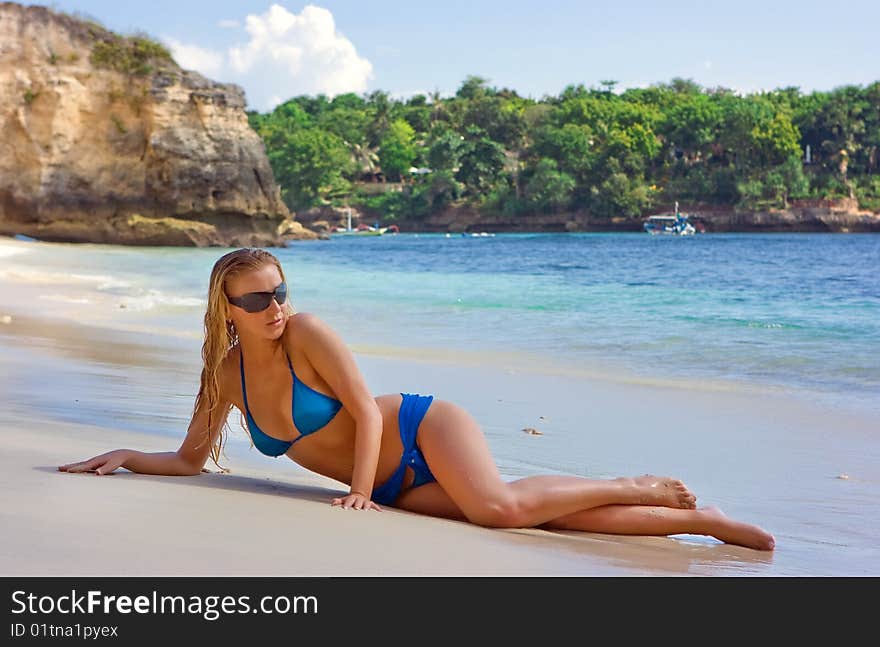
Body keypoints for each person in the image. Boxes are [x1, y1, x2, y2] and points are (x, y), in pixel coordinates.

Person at [58, 248, 775, 551]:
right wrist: (127, 456)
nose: (275, 304)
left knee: (498, 509)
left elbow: (367, 409)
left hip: (419, 429)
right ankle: (703, 521)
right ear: (227, 306)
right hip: (388, 483)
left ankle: (635, 482)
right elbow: (190, 460)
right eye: (258, 297)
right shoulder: (226, 377)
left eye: (281, 289)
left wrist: (362, 493)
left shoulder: (306, 332)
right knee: (541, 521)